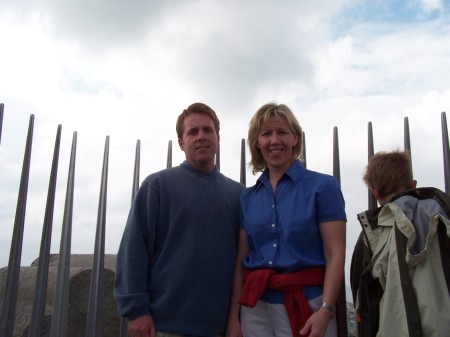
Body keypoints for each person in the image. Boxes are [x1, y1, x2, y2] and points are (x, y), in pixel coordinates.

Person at [114, 102, 245, 337]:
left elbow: (244, 262)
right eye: (193, 132)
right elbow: (134, 251)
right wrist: (136, 312)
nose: (201, 136)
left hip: (221, 327)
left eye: (208, 130)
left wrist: (236, 319)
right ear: (181, 142)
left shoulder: (239, 196)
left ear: (218, 137)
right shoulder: (157, 187)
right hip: (163, 325)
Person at [226, 103, 347, 337]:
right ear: (257, 142)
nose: (274, 140)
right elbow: (241, 261)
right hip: (256, 308)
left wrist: (326, 309)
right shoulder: (248, 198)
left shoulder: (323, 187)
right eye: (266, 134)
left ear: (295, 138)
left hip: (308, 303)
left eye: (281, 132)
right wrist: (234, 317)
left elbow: (335, 253)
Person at [350, 150, 450, 337]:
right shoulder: (443, 217)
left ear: (374, 191)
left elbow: (364, 299)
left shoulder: (371, 236)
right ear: (413, 185)